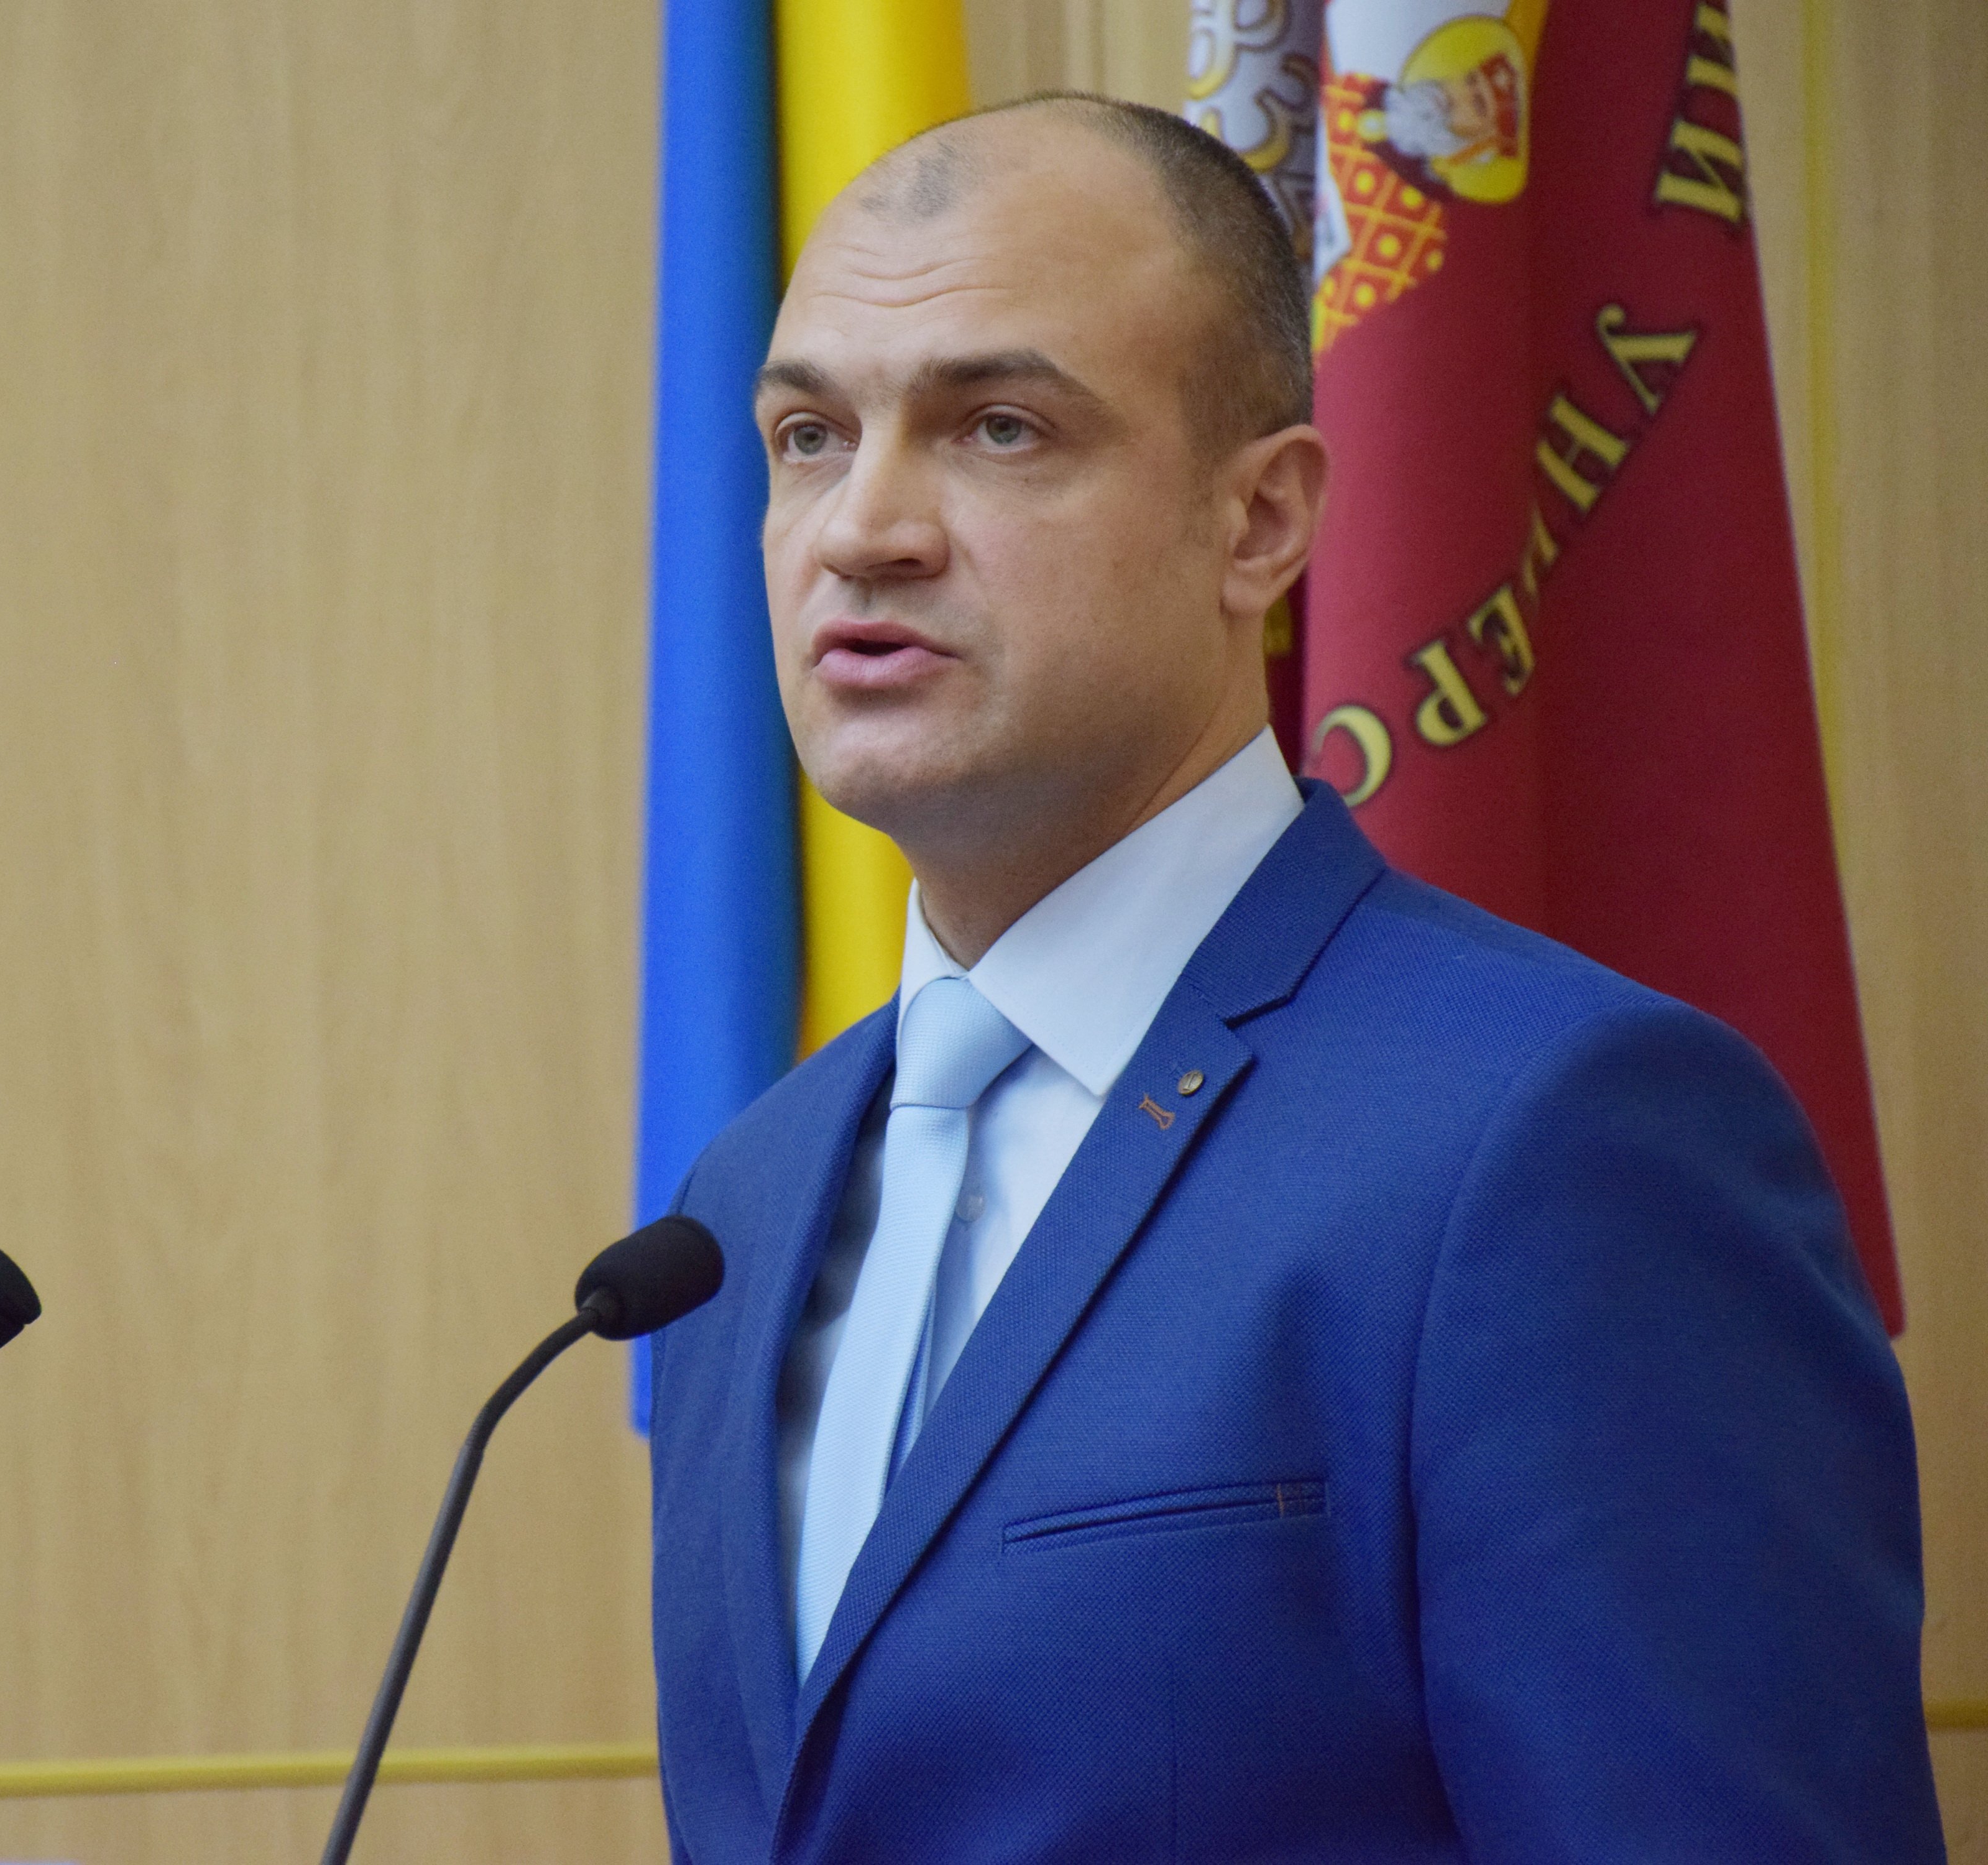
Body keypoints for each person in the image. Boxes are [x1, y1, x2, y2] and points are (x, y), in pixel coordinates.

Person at [642, 94, 1941, 1862]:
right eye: (808, 436)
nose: (861, 529)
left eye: (1000, 427)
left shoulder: (1550, 1141)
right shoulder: (740, 1207)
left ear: (1259, 520)